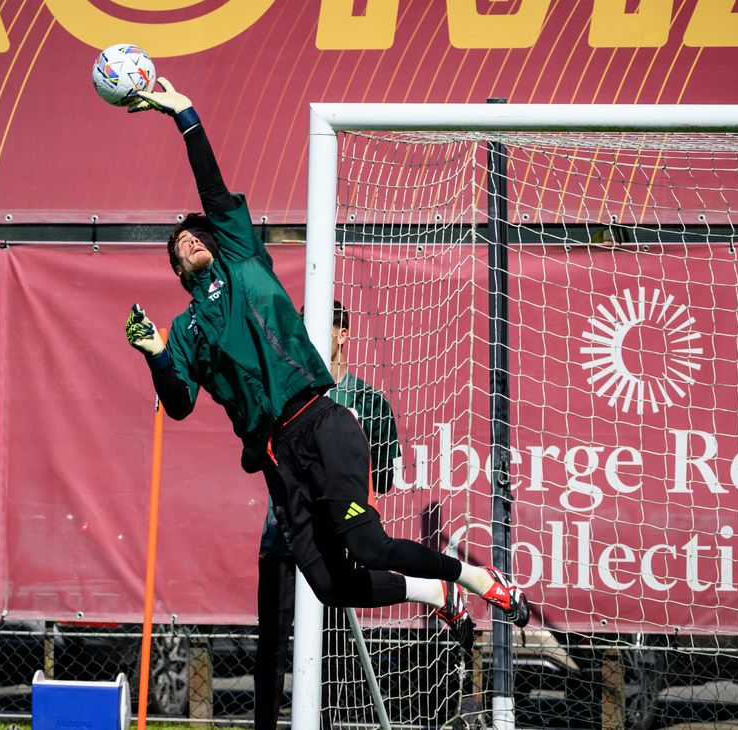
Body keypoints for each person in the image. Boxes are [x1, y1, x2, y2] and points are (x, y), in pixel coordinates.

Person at [121, 76, 530, 680]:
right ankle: (436, 597)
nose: (185, 239)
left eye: (193, 232)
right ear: (176, 269)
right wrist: (155, 352)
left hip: (320, 421)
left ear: (218, 239)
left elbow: (211, 188)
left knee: (368, 547)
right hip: (278, 459)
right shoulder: (183, 330)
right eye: (175, 244)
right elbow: (178, 404)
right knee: (330, 585)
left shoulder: (240, 259)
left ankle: (475, 577)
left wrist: (184, 113)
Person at [255, 300, 399, 730]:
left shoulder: (367, 401)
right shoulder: (280, 395)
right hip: (282, 538)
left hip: (338, 540)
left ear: (341, 335)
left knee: (332, 651)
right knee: (272, 649)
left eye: (320, 328)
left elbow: (385, 476)